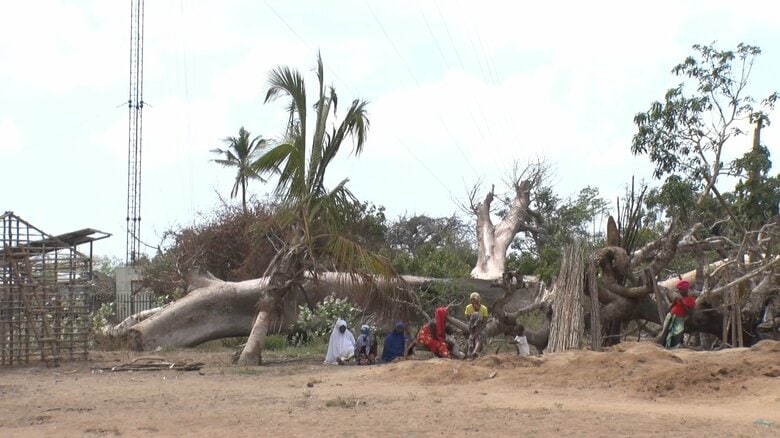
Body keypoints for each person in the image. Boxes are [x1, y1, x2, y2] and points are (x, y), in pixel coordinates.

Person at [661, 280, 697, 348]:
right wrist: (674, 302)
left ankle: (675, 347)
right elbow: (668, 310)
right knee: (666, 332)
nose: (680, 291)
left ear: (686, 290)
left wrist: (683, 304)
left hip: (679, 319)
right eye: (679, 290)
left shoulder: (691, 300)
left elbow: (690, 312)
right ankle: (664, 347)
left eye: (681, 289)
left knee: (677, 333)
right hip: (670, 316)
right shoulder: (678, 298)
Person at [465, 292, 489, 357]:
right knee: (471, 337)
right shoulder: (468, 308)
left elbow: (484, 323)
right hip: (472, 326)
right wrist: (472, 333)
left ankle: (475, 352)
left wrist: (477, 333)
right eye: (472, 299)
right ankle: (471, 349)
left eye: (475, 299)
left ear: (479, 300)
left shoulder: (484, 308)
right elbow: (468, 321)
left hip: (480, 326)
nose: (474, 301)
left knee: (481, 335)